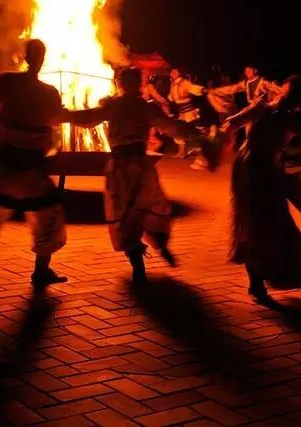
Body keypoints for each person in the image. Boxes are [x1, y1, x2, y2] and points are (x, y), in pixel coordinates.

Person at [64, 67, 220, 284]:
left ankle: (140, 259)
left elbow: (88, 118)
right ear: (137, 84)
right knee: (151, 207)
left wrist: (63, 115)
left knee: (126, 214)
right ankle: (158, 246)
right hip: (138, 167)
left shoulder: (117, 106)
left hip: (121, 169)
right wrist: (196, 136)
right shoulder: (143, 107)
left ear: (120, 84)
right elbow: (171, 127)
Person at [0, 39, 67, 287]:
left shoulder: (8, 82)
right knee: (49, 217)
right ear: (40, 59)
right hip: (30, 171)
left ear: (25, 57)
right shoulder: (48, 92)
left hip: (6, 167)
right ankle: (41, 270)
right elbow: (55, 121)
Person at [222, 77, 301, 302]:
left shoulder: (270, 110)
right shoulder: (278, 113)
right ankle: (260, 281)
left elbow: (230, 123)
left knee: (259, 221)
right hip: (256, 170)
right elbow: (231, 123)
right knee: (261, 222)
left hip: (252, 167)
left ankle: (260, 280)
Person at [167, 68, 206, 158]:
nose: (173, 73)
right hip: (181, 111)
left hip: (189, 111)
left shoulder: (184, 82)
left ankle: (203, 150)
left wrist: (202, 90)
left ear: (179, 73)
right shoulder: (173, 84)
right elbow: (172, 96)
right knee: (180, 131)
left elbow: (193, 88)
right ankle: (182, 152)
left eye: (175, 71)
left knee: (194, 130)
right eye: (172, 72)